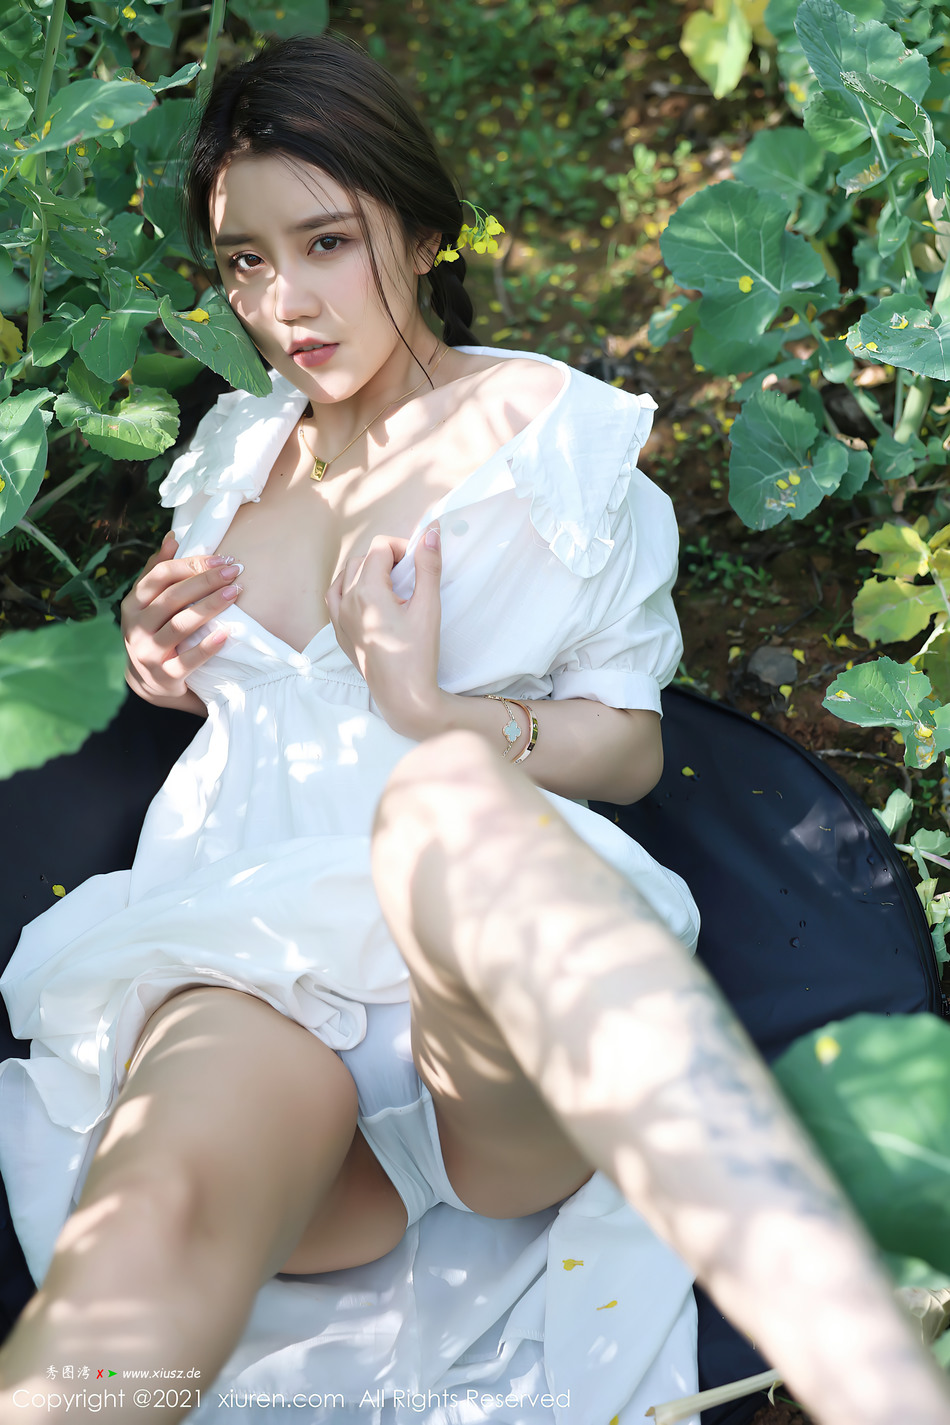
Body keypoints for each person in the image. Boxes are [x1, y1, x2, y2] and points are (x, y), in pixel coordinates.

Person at [0, 32, 946, 1425]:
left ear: (426, 231)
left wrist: (434, 712)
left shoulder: (556, 437)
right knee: (151, 1228)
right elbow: (227, 689)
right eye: (245, 261)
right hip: (247, 966)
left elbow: (628, 745)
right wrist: (160, 658)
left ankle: (874, 1373)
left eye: (326, 243)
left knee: (440, 808)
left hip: (484, 1016)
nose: (283, 303)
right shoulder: (232, 452)